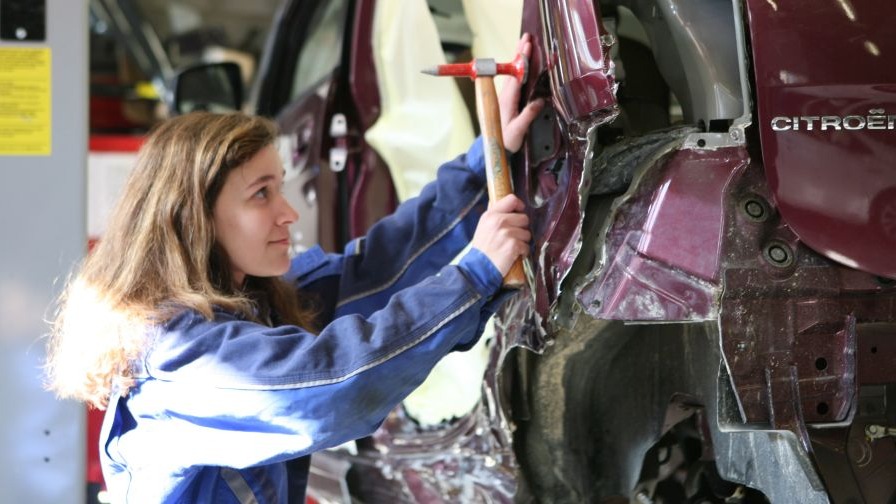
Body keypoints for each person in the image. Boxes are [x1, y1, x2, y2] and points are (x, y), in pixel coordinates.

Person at [45, 36, 544, 503]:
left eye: (280, 187)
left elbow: (377, 267)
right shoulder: (180, 358)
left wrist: (488, 159)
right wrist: (474, 276)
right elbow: (329, 389)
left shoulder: (252, 303)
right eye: (261, 193)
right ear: (194, 218)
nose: (287, 213)